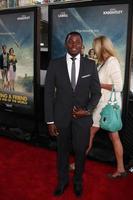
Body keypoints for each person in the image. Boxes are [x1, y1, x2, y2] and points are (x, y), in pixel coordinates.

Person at [44, 31, 101, 197]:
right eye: (71, 41)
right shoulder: (55, 64)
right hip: (60, 118)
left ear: (82, 46)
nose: (74, 44)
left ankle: (78, 181)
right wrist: (49, 121)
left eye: (78, 42)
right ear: (66, 44)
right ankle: (62, 182)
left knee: (80, 151)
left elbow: (96, 93)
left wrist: (88, 110)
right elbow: (48, 93)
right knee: (62, 152)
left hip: (83, 120)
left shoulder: (90, 65)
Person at [70, 35, 127, 178]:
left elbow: (119, 86)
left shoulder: (112, 62)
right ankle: (120, 169)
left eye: (95, 47)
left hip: (105, 107)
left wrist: (97, 84)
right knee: (113, 137)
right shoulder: (104, 62)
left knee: (90, 133)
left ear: (101, 47)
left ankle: (79, 163)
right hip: (102, 105)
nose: (94, 50)